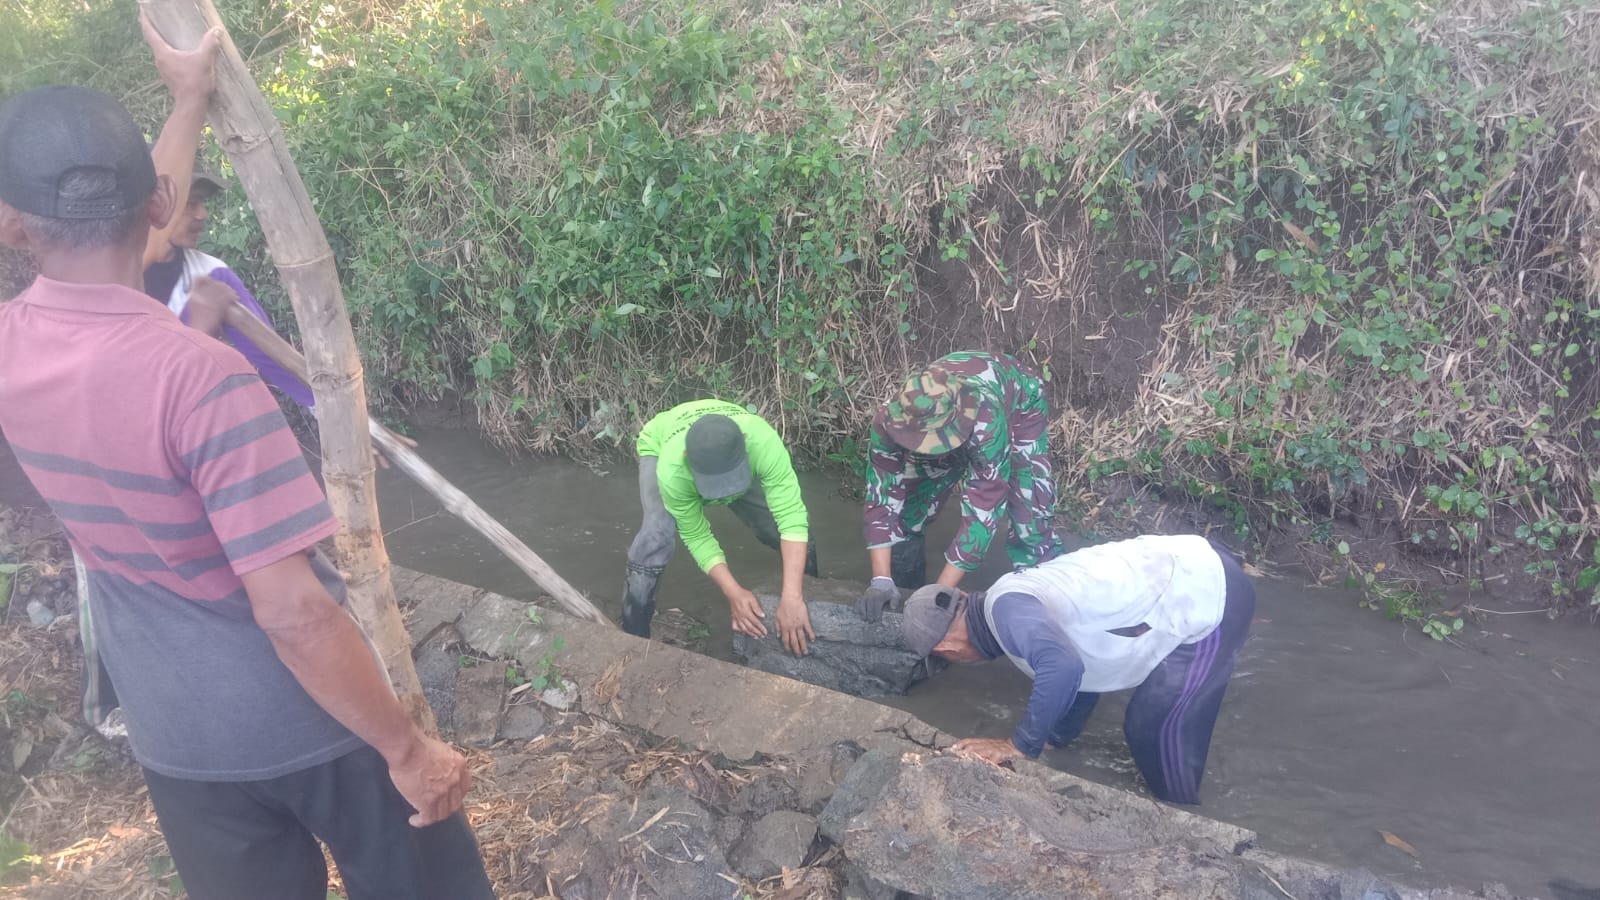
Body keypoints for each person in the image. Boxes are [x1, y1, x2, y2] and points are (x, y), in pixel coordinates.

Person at [0, 16, 493, 900]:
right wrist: (406, 750)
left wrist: (189, 99)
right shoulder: (201, 377)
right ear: (159, 204)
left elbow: (120, 239)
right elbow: (294, 613)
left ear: (12, 227)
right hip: (310, 720)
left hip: (176, 737)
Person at [895, 534, 1255, 805]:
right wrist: (1054, 738)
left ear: (947, 648)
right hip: (1189, 562)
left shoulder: (1005, 612)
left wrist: (1017, 745)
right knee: (1146, 712)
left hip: (1210, 594)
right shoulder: (1007, 600)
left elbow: (1063, 668)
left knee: (1153, 726)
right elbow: (1083, 666)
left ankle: (1186, 820)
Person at [857, 351, 1062, 618]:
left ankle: (1051, 605)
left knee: (1029, 515)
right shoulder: (890, 418)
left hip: (1019, 403)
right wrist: (881, 581)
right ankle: (903, 587)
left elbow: (983, 513)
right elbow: (881, 496)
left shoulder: (988, 423)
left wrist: (938, 596)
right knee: (910, 508)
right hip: (944, 412)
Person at [624, 399, 817, 654]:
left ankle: (811, 596)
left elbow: (791, 515)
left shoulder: (762, 442)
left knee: (783, 528)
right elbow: (696, 534)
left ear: (745, 443)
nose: (722, 494)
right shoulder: (673, 469)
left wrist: (792, 596)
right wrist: (733, 592)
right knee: (656, 537)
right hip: (660, 444)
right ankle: (633, 637)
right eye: (715, 487)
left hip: (732, 452)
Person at [143, 167, 313, 407]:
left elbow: (275, 359)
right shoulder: (110, 282)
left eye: (202, 202)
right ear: (155, 204)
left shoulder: (211, 275)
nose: (202, 214)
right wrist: (200, 329)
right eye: (190, 203)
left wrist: (329, 407)